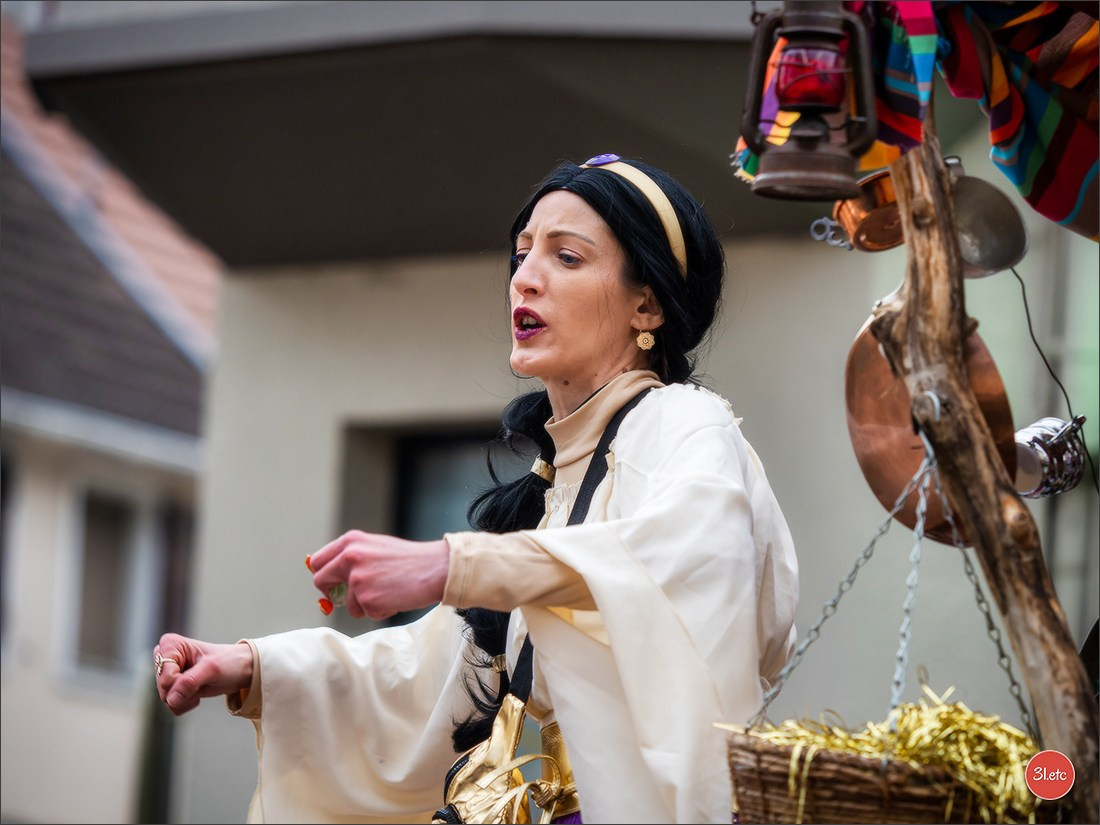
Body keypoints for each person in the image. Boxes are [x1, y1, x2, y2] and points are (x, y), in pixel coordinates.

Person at [154, 153, 800, 824]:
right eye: (522, 255)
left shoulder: (685, 421)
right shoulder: (550, 489)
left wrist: (452, 564)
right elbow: (430, 682)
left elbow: (689, 558)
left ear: (649, 303)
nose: (526, 278)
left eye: (567, 257)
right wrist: (257, 668)